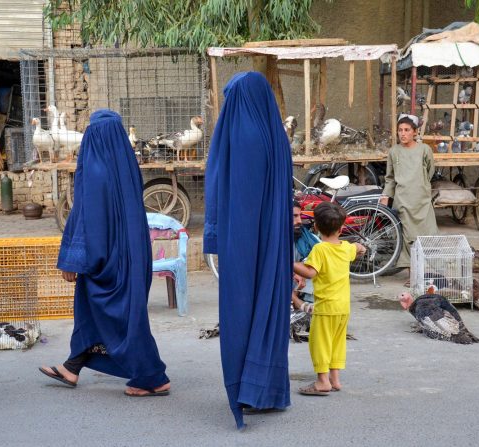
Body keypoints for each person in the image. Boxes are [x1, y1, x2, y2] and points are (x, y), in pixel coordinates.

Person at [38, 109, 171, 397]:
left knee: (118, 320)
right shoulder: (126, 164)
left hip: (105, 258)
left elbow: (87, 218)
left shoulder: (95, 169)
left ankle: (152, 377)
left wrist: (74, 260)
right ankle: (72, 366)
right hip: (132, 256)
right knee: (115, 315)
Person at [203, 72, 293, 429]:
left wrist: (220, 242)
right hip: (275, 241)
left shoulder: (243, 136)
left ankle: (245, 390)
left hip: (245, 242)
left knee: (243, 310)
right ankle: (266, 390)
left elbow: (234, 196)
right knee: (269, 308)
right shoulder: (276, 136)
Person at [293, 202, 366, 396]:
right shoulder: (345, 248)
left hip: (325, 308)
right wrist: (360, 247)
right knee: (337, 342)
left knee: (320, 343)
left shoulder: (320, 249)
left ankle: (322, 381)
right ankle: (335, 379)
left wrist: (289, 262)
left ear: (315, 227)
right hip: (343, 307)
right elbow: (357, 248)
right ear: (342, 228)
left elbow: (310, 272)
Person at [380, 115, 438, 284]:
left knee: (425, 235)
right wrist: (386, 196)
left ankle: (422, 271)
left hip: (422, 199)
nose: (403, 134)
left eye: (407, 130)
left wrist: (422, 186)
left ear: (415, 132)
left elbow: (430, 171)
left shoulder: (425, 150)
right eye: (400, 130)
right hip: (403, 200)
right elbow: (390, 178)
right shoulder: (394, 152)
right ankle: (412, 274)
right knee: (407, 238)